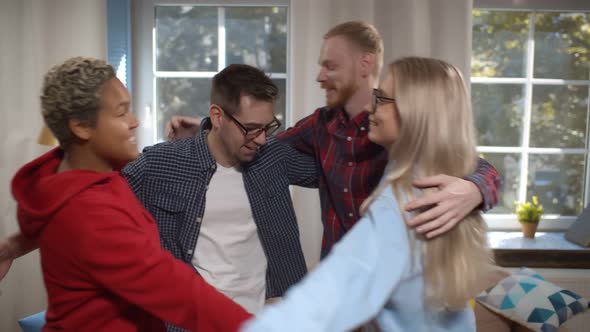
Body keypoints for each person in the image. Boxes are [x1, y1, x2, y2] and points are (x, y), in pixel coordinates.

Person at [1, 63, 318, 330]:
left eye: (268, 127)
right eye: (250, 128)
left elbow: (332, 172)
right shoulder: (156, 166)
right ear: (218, 116)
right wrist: (21, 242)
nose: (261, 139)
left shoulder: (274, 156)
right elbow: (174, 289)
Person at [166, 21, 501, 258]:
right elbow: (259, 139)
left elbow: (478, 167)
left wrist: (474, 189)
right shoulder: (320, 126)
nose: (319, 76)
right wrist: (207, 130)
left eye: (330, 66)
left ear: (365, 64)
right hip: (342, 282)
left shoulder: (402, 128)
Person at [241, 56, 497, 332]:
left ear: (414, 112)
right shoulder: (445, 184)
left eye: (381, 99)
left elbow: (320, 303)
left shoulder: (401, 207)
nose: (368, 107)